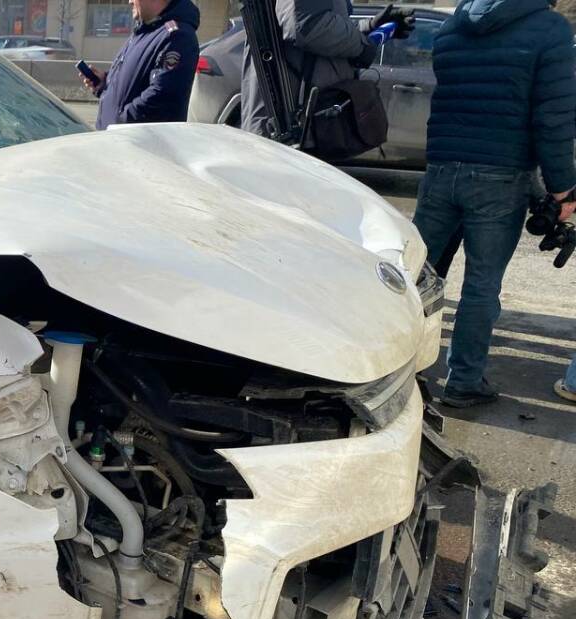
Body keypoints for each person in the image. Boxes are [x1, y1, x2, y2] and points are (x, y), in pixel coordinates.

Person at [412, 0, 576, 408]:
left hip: (440, 169)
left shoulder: (452, 27)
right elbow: (553, 119)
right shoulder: (550, 29)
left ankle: (396, 371)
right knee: (481, 285)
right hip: (500, 176)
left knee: (413, 277)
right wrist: (562, 189)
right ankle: (464, 381)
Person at [240, 1, 414, 136]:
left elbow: (315, 22)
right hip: (289, 126)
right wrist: (362, 45)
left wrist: (369, 27)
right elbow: (306, 26)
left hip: (305, 125)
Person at [80, 0, 200, 129]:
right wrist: (104, 84)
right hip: (115, 137)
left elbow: (162, 98)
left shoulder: (177, 36)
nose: (130, 1)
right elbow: (133, 84)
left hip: (134, 139)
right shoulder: (144, 32)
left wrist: (118, 122)